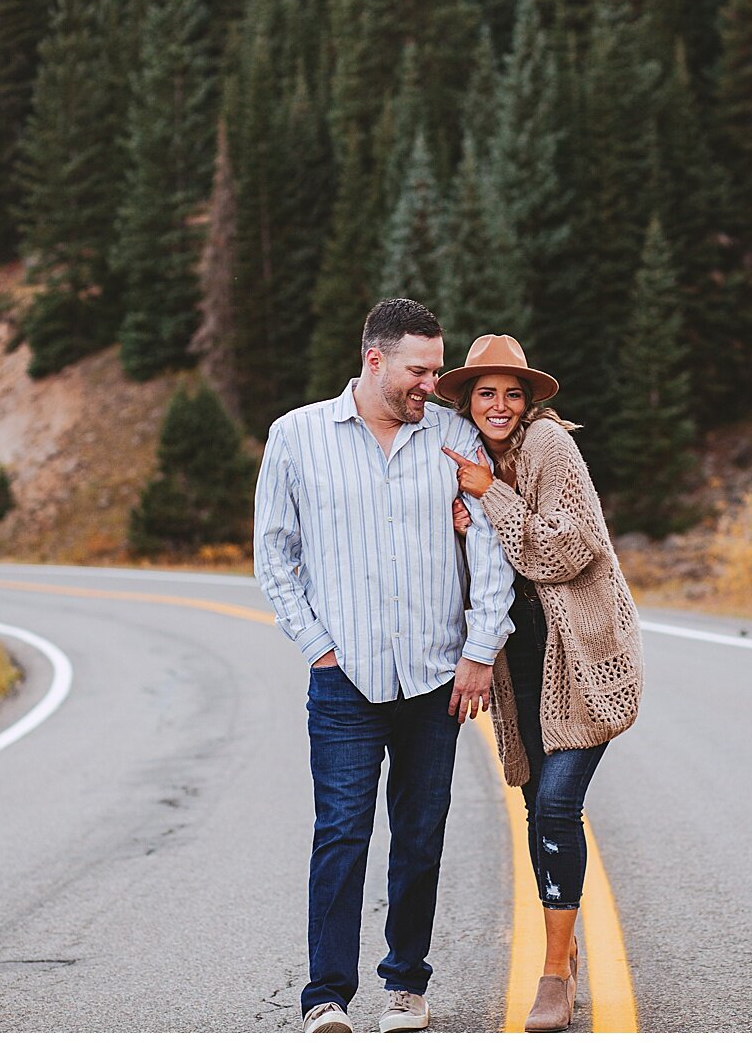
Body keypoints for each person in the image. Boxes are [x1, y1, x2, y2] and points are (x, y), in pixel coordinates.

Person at [254, 299, 515, 1034]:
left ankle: (405, 983)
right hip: (345, 679)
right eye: (419, 369)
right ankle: (327, 997)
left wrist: (478, 650)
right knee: (341, 829)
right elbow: (275, 554)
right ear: (375, 359)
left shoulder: (454, 435)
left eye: (436, 369)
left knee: (423, 831)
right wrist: (319, 649)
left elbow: (491, 545)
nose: (431, 383)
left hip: (436, 677)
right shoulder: (298, 436)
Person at [435, 334, 643, 1033]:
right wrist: (462, 522)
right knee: (537, 808)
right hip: (518, 664)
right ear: (468, 400)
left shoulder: (549, 448)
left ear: (529, 402)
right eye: (486, 392)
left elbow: (564, 546)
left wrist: (486, 495)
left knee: (556, 805)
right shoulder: (467, 462)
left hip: (581, 657)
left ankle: (554, 972)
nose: (499, 404)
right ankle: (566, 945)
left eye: (512, 392)